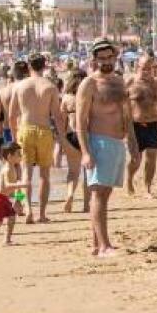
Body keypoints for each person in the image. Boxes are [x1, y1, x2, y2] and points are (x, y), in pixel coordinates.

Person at [75, 38, 135, 258]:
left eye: (109, 57)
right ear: (94, 60)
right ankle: (104, 246)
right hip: (98, 142)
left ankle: (95, 243)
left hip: (117, 144)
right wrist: (85, 152)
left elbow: (127, 117)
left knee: (105, 194)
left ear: (115, 57)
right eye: (101, 58)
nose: (106, 62)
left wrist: (134, 147)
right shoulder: (89, 84)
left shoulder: (119, 82)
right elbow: (80, 122)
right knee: (98, 194)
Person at [8, 53, 67, 223]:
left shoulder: (19, 86)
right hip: (44, 130)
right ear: (45, 65)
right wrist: (62, 136)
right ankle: (41, 213)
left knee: (25, 174)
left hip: (25, 129)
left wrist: (13, 136)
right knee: (44, 175)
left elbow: (11, 115)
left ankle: (28, 210)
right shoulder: (50, 86)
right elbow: (57, 115)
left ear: (28, 66)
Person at [126, 55, 157, 199]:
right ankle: (129, 178)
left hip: (152, 124)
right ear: (138, 67)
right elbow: (119, 103)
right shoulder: (131, 81)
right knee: (136, 160)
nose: (146, 72)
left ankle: (147, 188)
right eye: (144, 68)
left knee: (152, 157)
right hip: (134, 126)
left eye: (149, 69)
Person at [60, 70, 89, 214]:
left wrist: (61, 141)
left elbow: (62, 121)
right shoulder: (88, 96)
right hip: (87, 135)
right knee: (88, 172)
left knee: (73, 172)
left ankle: (70, 194)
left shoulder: (66, 98)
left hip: (71, 135)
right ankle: (86, 205)